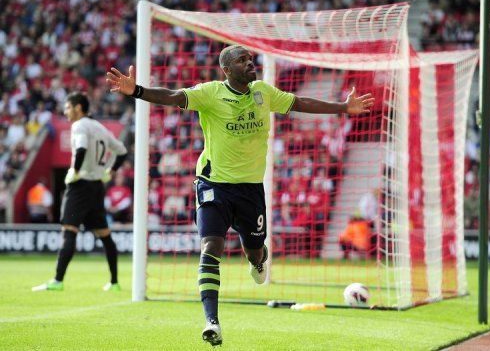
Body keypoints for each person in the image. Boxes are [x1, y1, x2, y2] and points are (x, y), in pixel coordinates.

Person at [106, 45, 374, 346]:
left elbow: (299, 102)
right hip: (213, 183)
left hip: (250, 189)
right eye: (242, 60)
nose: (250, 63)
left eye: (250, 59)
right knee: (211, 246)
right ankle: (212, 321)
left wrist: (343, 107)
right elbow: (171, 96)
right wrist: (137, 90)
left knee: (255, 251)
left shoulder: (263, 92)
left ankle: (258, 260)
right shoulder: (210, 93)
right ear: (227, 69)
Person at [32, 92, 128, 292]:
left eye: (67, 107)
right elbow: (122, 151)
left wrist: (74, 172)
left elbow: (82, 147)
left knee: (69, 230)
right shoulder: (101, 128)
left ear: (77, 107)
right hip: (96, 187)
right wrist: (110, 171)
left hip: (80, 185)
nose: (65, 112)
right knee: (105, 235)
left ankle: (58, 280)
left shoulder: (79, 125)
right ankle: (114, 281)